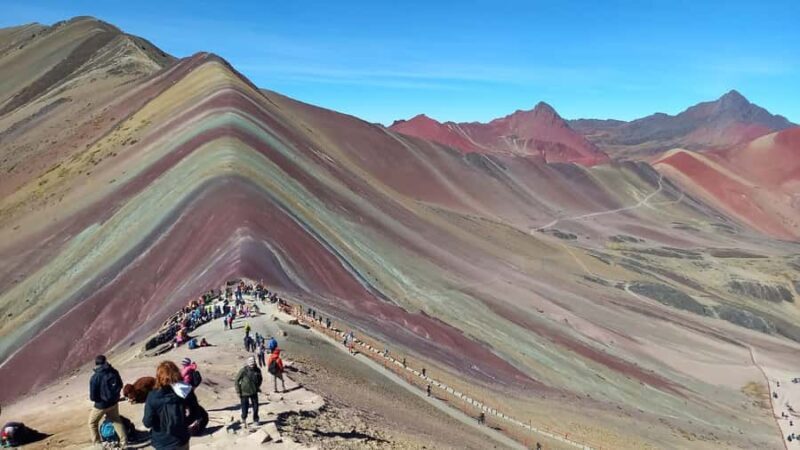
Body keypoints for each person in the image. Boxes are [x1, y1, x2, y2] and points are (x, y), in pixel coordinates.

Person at [143, 361, 192, 450]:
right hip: (182, 439)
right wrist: (183, 423)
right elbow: (195, 412)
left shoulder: (153, 396)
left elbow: (147, 423)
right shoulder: (184, 391)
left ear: (158, 377)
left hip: (162, 442)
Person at [88, 355, 128, 448]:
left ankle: (98, 445)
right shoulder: (114, 372)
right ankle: (124, 442)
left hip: (101, 405)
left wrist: (100, 401)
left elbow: (92, 396)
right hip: (114, 402)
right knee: (116, 420)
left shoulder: (95, 377)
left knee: (92, 423)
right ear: (105, 362)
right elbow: (120, 384)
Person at [235, 357, 263, 428]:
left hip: (254, 391)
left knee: (256, 406)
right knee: (245, 407)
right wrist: (238, 391)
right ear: (248, 364)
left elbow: (260, 379)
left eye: (253, 364)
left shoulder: (257, 370)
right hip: (244, 392)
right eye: (251, 364)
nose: (252, 365)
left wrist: (257, 386)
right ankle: (244, 419)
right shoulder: (243, 370)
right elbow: (236, 380)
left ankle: (256, 419)